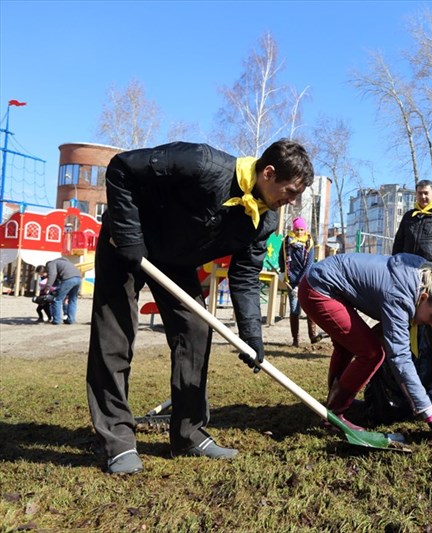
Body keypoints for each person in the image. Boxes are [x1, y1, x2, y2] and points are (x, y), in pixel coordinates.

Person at [87, 139, 314, 475]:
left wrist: (252, 337)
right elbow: (121, 168)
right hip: (126, 242)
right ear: (268, 173)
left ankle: (189, 434)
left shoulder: (264, 221)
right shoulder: (201, 163)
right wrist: (130, 236)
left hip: (176, 261)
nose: (291, 202)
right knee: (115, 337)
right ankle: (117, 441)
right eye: (291, 191)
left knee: (195, 331)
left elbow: (245, 277)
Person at [298, 253, 432, 447]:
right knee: (372, 354)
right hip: (318, 289)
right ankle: (335, 415)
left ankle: (333, 407)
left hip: (324, 279)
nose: (431, 324)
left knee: (347, 346)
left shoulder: (419, 276)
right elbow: (400, 359)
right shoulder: (401, 297)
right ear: (424, 297)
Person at [392, 180, 432, 284]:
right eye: (420, 193)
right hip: (406, 269)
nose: (423, 196)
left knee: (427, 299)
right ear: (416, 194)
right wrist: (394, 264)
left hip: (429, 271)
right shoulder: (408, 216)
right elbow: (398, 243)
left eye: (426, 193)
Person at [279, 216, 322, 347]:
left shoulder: (309, 243)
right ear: (294, 229)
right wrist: (282, 272)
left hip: (306, 280)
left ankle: (313, 336)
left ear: (305, 230)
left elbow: (309, 265)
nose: (299, 232)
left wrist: (300, 283)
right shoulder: (287, 242)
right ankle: (295, 339)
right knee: (294, 310)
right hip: (291, 280)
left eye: (301, 229)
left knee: (309, 309)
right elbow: (282, 257)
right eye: (297, 229)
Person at [36, 258, 81, 325]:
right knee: (72, 300)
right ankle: (71, 320)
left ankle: (57, 320)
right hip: (78, 278)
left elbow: (53, 274)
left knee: (57, 300)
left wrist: (47, 287)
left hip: (68, 279)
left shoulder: (51, 264)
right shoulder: (64, 262)